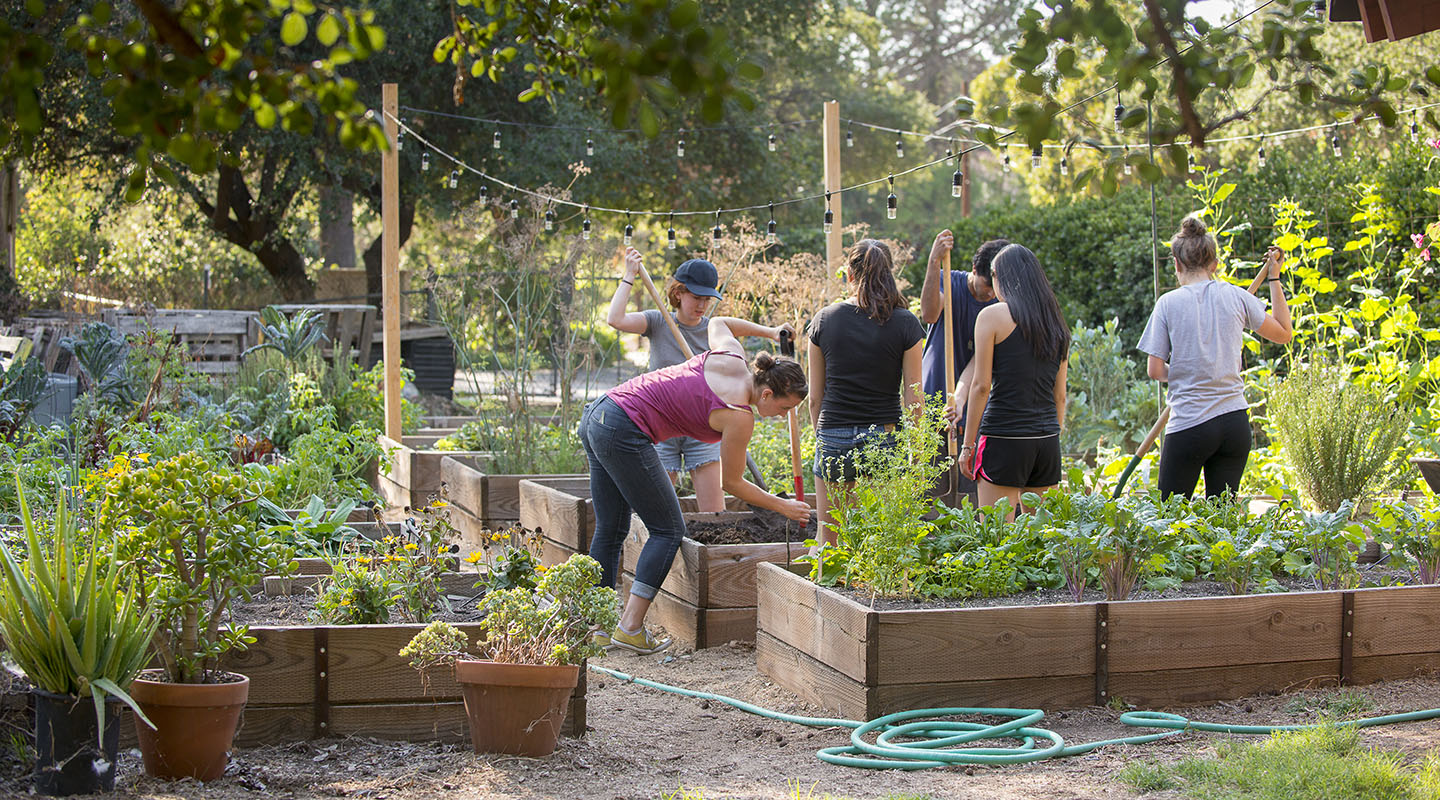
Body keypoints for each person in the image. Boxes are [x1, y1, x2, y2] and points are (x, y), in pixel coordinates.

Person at [579, 314, 812, 654]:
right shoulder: (739, 415)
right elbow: (731, 483)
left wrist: (770, 332)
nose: (782, 415)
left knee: (612, 527)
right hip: (623, 429)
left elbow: (718, 321)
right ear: (766, 393)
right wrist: (783, 506)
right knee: (668, 529)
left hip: (599, 414)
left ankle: (595, 626)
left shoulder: (731, 355)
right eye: (784, 407)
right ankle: (629, 627)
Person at [1137, 217, 1293, 500]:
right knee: (1223, 524)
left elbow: (1155, 369)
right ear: (1214, 264)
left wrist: (1186, 372)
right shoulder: (1235, 296)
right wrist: (1274, 277)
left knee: (1169, 519)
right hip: (1234, 424)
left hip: (1190, 425)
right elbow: (1284, 333)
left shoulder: (1168, 303)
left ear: (1176, 263)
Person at [806, 239, 926, 543]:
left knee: (829, 536)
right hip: (884, 435)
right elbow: (914, 397)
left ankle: (822, 587)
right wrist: (918, 450)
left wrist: (822, 436)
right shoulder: (905, 323)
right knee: (887, 535)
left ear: (848, 274)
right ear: (890, 273)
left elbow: (815, 398)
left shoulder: (824, 319)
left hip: (833, 431)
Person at [605, 250, 726, 512]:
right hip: (660, 426)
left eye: (707, 299)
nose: (702, 305)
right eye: (696, 297)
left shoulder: (714, 330)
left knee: (716, 514)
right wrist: (629, 275)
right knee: (656, 513)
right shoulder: (658, 321)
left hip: (702, 427)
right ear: (678, 293)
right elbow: (615, 319)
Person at [959, 244, 1070, 520]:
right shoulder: (1056, 325)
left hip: (1003, 438)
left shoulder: (992, 317)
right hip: (1045, 439)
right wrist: (1051, 435)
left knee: (997, 537)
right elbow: (1060, 396)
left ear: (999, 277)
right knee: (1043, 538)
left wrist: (968, 445)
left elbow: (981, 386)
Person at [919, 232, 1005, 498]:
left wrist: (961, 397)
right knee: (932, 488)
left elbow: (979, 361)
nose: (989, 292)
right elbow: (929, 313)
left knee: (970, 491)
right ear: (974, 270)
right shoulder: (949, 280)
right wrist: (934, 261)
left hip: (977, 401)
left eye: (995, 286)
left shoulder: (1001, 304)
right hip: (935, 394)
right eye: (985, 284)